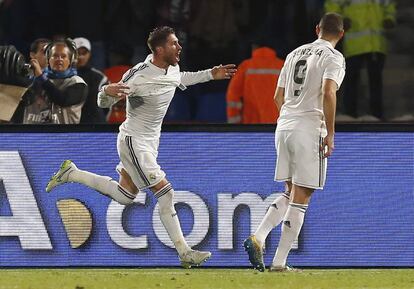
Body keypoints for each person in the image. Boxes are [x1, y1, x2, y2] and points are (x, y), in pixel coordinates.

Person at [46, 26, 236, 268]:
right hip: (134, 141)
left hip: (149, 142)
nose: (179, 47)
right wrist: (105, 91)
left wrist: (211, 73)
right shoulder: (138, 75)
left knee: (126, 196)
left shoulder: (171, 68)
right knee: (166, 193)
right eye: (174, 43)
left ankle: (72, 173)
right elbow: (104, 100)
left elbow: (180, 78)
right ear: (159, 49)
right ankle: (184, 252)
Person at [243, 13, 345, 272]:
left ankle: (261, 240)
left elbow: (278, 96)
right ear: (341, 35)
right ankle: (278, 260)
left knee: (290, 192)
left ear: (317, 29)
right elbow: (328, 91)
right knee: (303, 195)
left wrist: (289, 119)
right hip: (309, 128)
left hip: (285, 125)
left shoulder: (294, 54)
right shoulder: (334, 57)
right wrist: (329, 133)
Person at [325, 0, 396, 120]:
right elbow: (332, 6)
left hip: (375, 43)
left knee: (374, 81)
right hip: (356, 43)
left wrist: (389, 18)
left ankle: (376, 115)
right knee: (352, 80)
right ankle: (349, 114)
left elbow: (389, 6)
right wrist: (340, 22)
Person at [12, 38, 87, 124]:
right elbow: (19, 101)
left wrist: (41, 77)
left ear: (70, 60)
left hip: (63, 135)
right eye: (55, 56)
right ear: (48, 59)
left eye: (63, 56)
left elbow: (62, 100)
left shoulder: (78, 83)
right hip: (33, 134)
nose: (59, 59)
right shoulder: (32, 79)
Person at [226, 41, 284, 124]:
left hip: (251, 126)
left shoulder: (246, 66)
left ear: (254, 48)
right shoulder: (282, 65)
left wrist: (235, 124)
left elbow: (232, 96)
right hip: (278, 125)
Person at [73, 37, 108, 124]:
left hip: (95, 126)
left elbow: (107, 105)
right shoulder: (63, 76)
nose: (81, 56)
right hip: (71, 126)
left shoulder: (99, 77)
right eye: (78, 53)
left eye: (84, 53)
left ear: (89, 54)